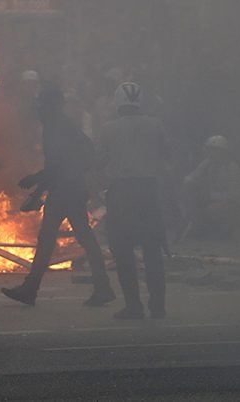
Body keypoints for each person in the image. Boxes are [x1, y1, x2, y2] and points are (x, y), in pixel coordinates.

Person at [1, 87, 115, 307]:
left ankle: (101, 287)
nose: (38, 108)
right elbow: (62, 163)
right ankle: (32, 288)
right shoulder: (60, 125)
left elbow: (58, 165)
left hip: (67, 191)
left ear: (50, 105)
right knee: (55, 238)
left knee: (74, 238)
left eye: (42, 104)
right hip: (65, 189)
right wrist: (39, 190)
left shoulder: (57, 127)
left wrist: (35, 180)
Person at [97, 82, 169, 319]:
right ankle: (158, 305)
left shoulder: (108, 129)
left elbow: (99, 162)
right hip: (149, 191)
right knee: (152, 251)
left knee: (123, 250)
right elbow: (166, 156)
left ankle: (134, 305)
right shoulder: (156, 125)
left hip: (122, 194)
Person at [182, 135, 240, 239]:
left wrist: (211, 196)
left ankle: (226, 231)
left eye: (215, 151)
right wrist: (188, 184)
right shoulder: (208, 163)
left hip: (232, 204)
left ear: (223, 152)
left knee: (212, 210)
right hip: (212, 199)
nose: (211, 154)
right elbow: (193, 177)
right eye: (210, 150)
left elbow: (235, 195)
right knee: (195, 207)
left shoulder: (232, 168)